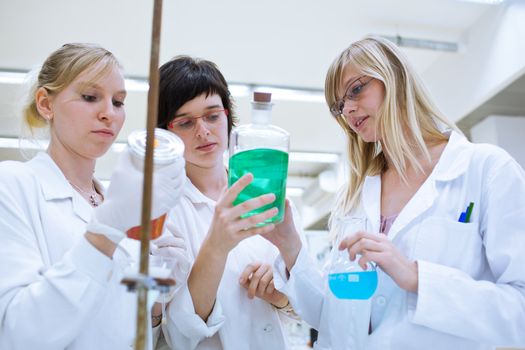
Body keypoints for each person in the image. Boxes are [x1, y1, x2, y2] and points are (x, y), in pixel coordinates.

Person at [265, 36, 525, 350]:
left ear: (395, 79)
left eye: (356, 89)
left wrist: (416, 277)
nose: (347, 108)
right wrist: (289, 243)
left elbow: (518, 311)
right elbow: (334, 317)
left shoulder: (485, 170)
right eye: (339, 105)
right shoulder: (357, 194)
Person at [0, 43, 185, 350]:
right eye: (90, 97)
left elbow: (126, 328)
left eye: (119, 101)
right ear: (46, 104)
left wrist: (158, 294)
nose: (109, 114)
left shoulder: (116, 203)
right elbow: (20, 333)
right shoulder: (13, 184)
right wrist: (103, 234)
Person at [152, 56, 298, 350]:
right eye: (185, 122)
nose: (203, 131)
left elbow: (302, 306)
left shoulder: (265, 191)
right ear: (166, 133)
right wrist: (216, 245)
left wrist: (278, 293)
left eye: (212, 116)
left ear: (227, 115)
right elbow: (180, 334)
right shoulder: (161, 210)